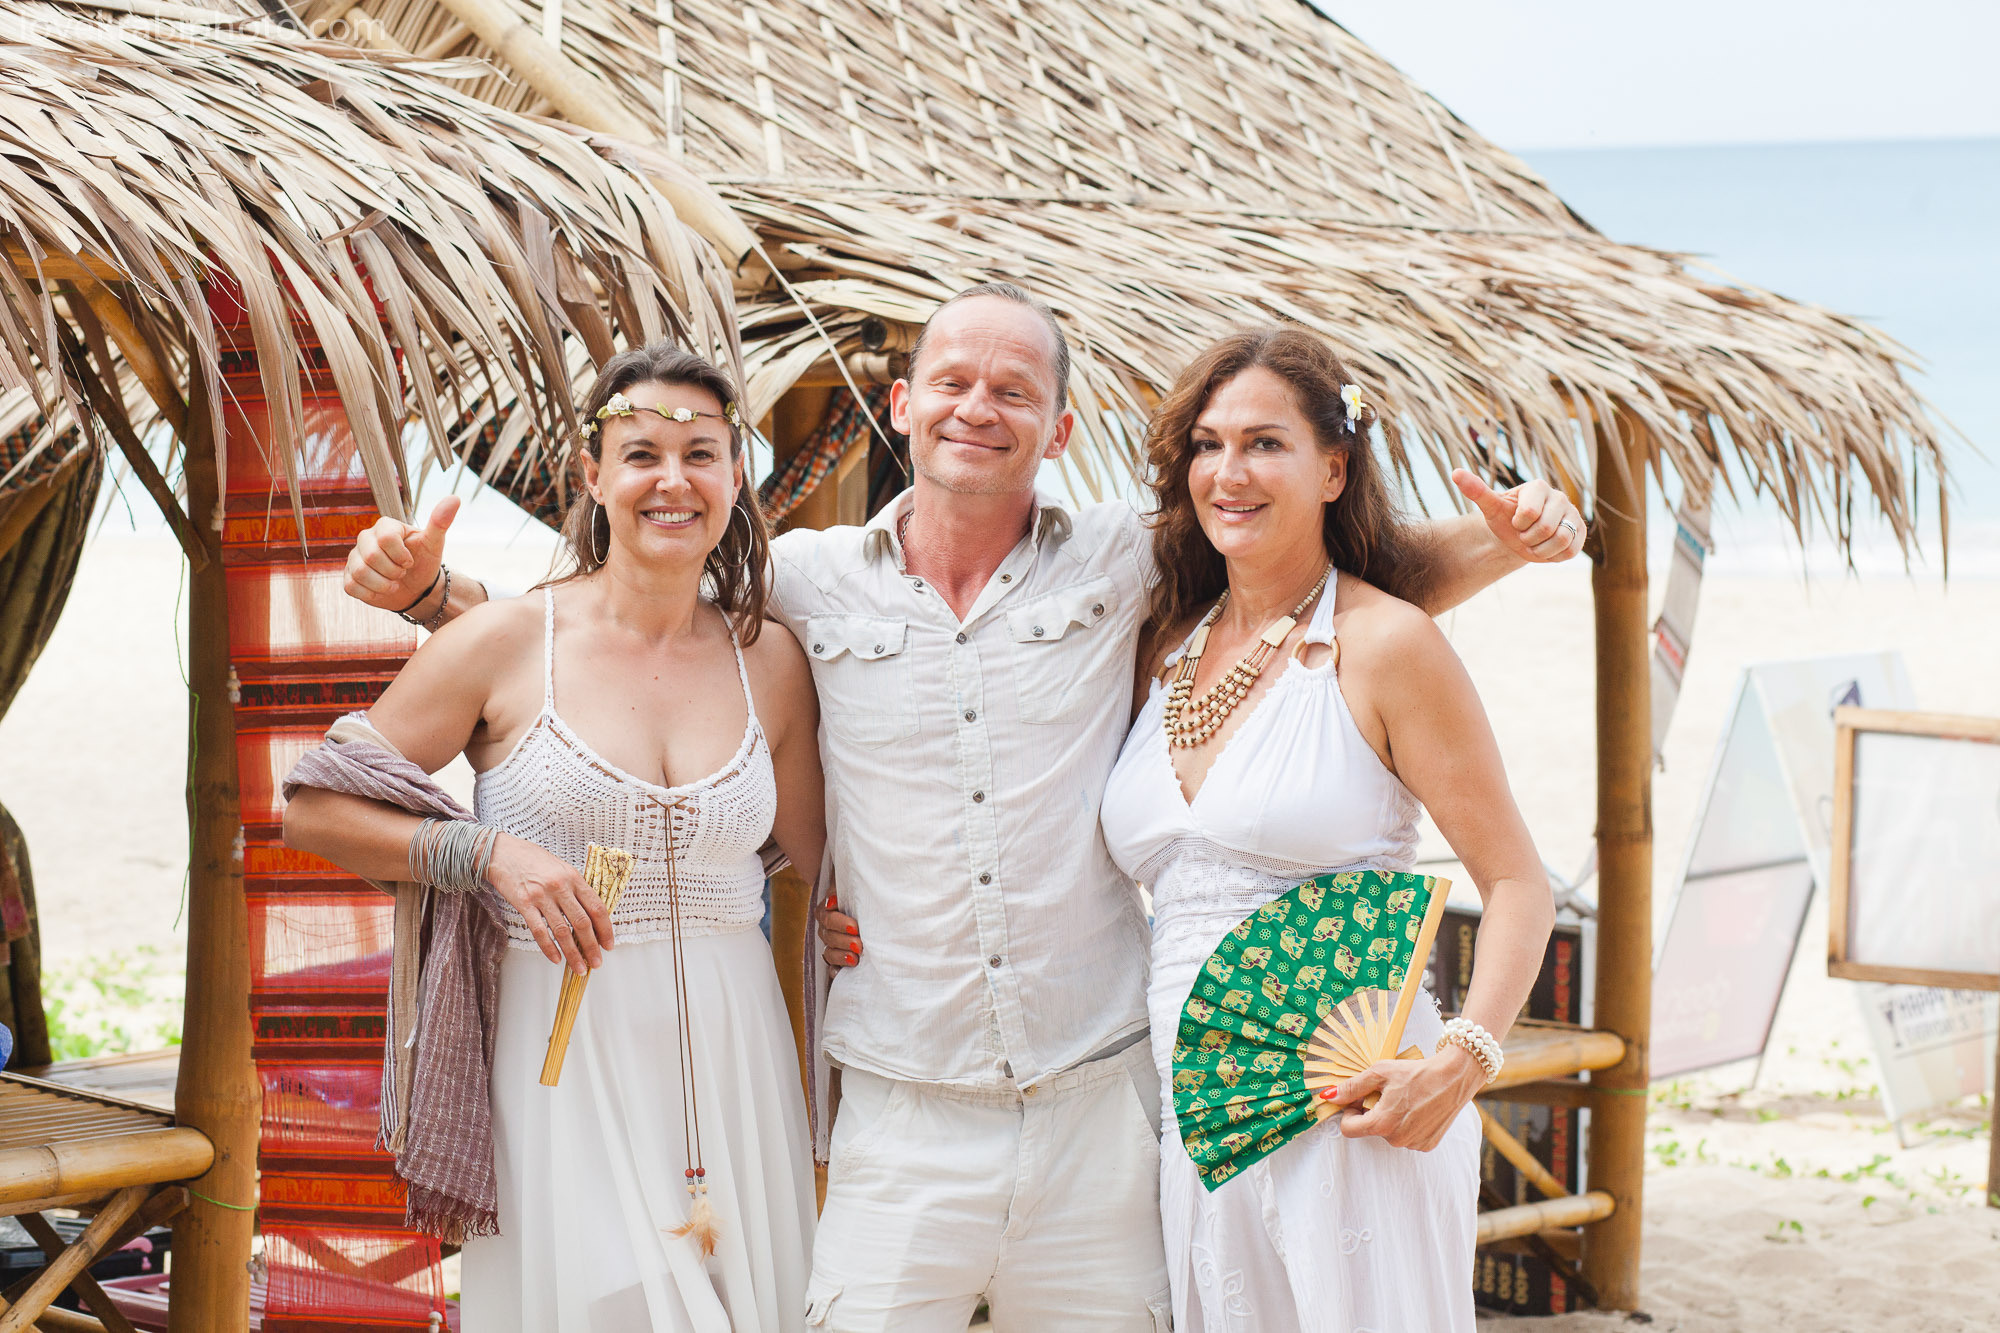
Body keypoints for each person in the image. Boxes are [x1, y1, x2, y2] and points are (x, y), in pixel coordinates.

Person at [340, 285, 1585, 1332]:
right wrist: (438, 594)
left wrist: (1513, 542)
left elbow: (1308, 566)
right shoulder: (805, 581)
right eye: (950, 382)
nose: (975, 408)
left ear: (1056, 428)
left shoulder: (1127, 563)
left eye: (1012, 391)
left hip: (1105, 1101)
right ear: (902, 404)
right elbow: (633, 608)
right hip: (898, 1102)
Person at [287, 345, 823, 1332]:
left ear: (735, 476)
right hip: (561, 1047)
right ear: (591, 475)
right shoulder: (504, 640)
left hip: (735, 1051)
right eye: (640, 453)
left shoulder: (771, 660)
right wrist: (486, 852)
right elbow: (315, 806)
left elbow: (833, 864)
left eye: (701, 453)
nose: (672, 479)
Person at [1099, 326, 1556, 1332]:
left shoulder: (1387, 644)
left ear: (1333, 467)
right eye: (1207, 444)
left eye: (1265, 443)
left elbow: (1521, 880)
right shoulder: (1161, 647)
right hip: (1202, 1104)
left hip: (1357, 1100)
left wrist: (1461, 1062)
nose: (1229, 472)